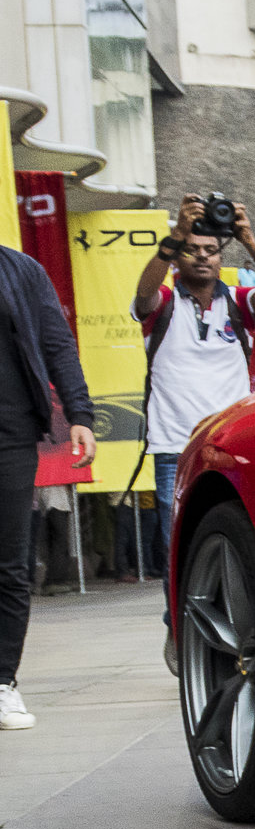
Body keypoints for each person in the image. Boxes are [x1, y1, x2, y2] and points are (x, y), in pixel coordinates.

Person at [130, 196, 255, 578]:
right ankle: (178, 632)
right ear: (178, 259)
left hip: (229, 449)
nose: (202, 257)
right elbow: (142, 293)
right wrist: (175, 236)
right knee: (180, 554)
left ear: (221, 258)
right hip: (174, 449)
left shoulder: (238, 302)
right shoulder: (164, 302)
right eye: (192, 250)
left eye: (211, 250)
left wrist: (249, 241)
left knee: (237, 546)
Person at [0, 243, 96, 730]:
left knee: (9, 565)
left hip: (9, 434)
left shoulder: (19, 269)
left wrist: (80, 414)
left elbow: (57, 343)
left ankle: (2, 684)